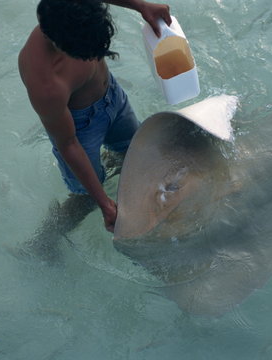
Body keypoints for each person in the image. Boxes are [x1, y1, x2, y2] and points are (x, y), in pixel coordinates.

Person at [18, 0, 171, 237]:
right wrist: (104, 203)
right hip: (80, 128)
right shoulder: (45, 84)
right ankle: (45, 241)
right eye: (88, 54)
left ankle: (109, 164)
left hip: (112, 96)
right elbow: (68, 144)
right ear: (62, 47)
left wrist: (141, 6)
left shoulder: (66, 8)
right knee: (85, 197)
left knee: (135, 152)